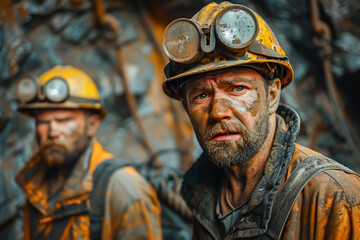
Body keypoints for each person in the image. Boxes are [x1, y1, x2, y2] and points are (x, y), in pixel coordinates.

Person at [160, 2, 360, 239]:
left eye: (237, 88)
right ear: (185, 105)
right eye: (201, 95)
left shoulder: (335, 195)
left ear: (273, 95)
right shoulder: (203, 196)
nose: (218, 112)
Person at [15, 65, 162, 239]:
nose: (53, 131)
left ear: (92, 125)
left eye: (64, 120)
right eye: (43, 122)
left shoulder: (124, 188)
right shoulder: (35, 186)